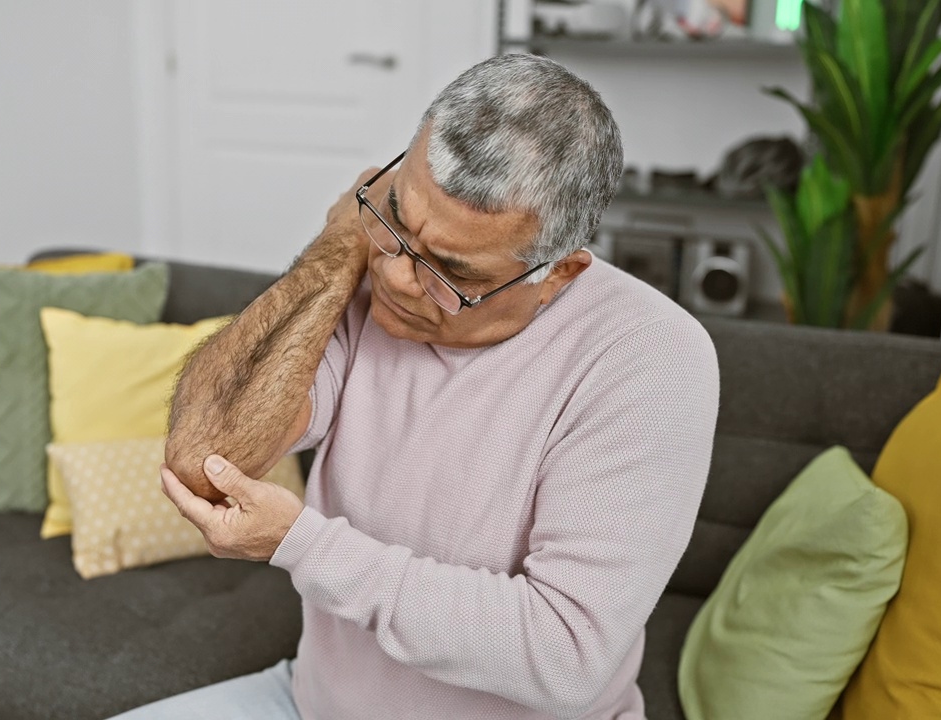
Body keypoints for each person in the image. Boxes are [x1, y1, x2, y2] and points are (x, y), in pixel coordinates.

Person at [112, 54, 720, 720]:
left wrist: (303, 544)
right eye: (399, 221)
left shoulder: (650, 356)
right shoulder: (374, 278)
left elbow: (566, 656)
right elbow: (205, 459)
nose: (399, 279)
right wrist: (344, 239)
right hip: (309, 704)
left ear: (559, 273)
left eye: (450, 273)